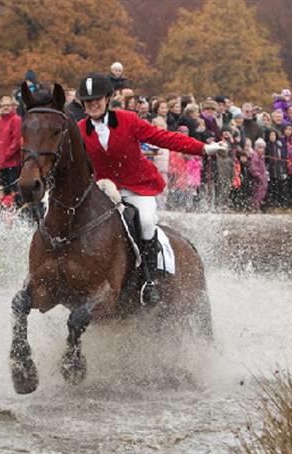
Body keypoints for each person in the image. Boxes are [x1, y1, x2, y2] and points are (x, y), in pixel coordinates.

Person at [76, 73, 226, 304]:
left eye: (97, 99)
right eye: (88, 101)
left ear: (107, 99)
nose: (93, 104)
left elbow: (163, 137)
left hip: (137, 187)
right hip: (102, 191)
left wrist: (203, 149)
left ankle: (149, 280)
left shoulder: (128, 120)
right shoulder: (78, 129)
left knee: (145, 222)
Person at [0, 96, 22, 193]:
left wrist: (6, 155)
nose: (5, 108)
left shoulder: (16, 119)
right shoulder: (0, 121)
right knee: (4, 190)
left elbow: (17, 140)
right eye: (3, 105)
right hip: (1, 163)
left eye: (8, 105)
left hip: (12, 162)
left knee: (13, 189)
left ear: (13, 106)